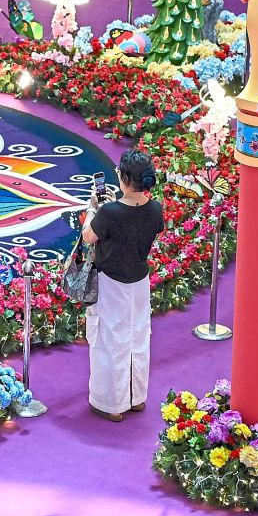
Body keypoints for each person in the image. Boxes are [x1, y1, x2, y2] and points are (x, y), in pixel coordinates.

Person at [81, 150, 165, 422]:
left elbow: (88, 237)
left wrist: (93, 206)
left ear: (125, 178)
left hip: (111, 283)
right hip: (139, 282)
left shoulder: (109, 212)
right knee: (138, 338)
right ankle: (136, 397)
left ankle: (111, 403)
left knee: (108, 340)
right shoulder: (155, 209)